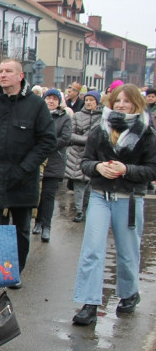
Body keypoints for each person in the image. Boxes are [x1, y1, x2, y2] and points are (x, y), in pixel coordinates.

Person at [71, 84, 156, 325]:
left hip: (129, 199)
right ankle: (89, 303)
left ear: (136, 104)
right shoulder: (100, 129)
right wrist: (98, 167)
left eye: (127, 102)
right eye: (118, 101)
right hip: (100, 195)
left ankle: (129, 294)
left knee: (128, 252)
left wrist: (126, 169)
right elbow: (86, 162)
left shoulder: (146, 132)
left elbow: (152, 169)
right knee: (92, 250)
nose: (121, 105)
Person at [0, 59, 57, 281]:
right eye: (0, 71)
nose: (3, 75)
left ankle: (15, 272)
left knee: (20, 229)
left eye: (8, 71)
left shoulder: (36, 105)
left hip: (23, 177)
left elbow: (47, 140)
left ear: (20, 76)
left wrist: (25, 168)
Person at [32, 89, 72, 242]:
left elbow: (65, 138)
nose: (50, 101)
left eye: (54, 99)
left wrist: (47, 145)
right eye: (48, 98)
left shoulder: (64, 118)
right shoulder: (37, 115)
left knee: (48, 194)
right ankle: (37, 222)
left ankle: (46, 225)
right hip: (38, 160)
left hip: (55, 160)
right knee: (38, 193)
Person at [65, 90, 104, 222]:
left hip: (95, 156)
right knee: (78, 186)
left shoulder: (103, 117)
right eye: (87, 100)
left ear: (97, 102)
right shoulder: (77, 116)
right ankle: (79, 211)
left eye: (91, 100)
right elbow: (71, 134)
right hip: (77, 155)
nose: (88, 102)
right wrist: (87, 139)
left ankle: (88, 209)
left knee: (91, 186)